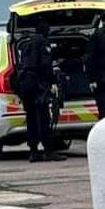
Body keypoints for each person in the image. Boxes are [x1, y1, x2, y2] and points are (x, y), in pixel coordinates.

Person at [17, 21, 66, 162]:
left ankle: (33, 152)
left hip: (26, 84)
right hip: (38, 84)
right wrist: (52, 83)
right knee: (43, 118)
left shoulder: (27, 43)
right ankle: (49, 151)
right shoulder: (43, 43)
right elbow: (46, 65)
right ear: (46, 31)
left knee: (31, 119)